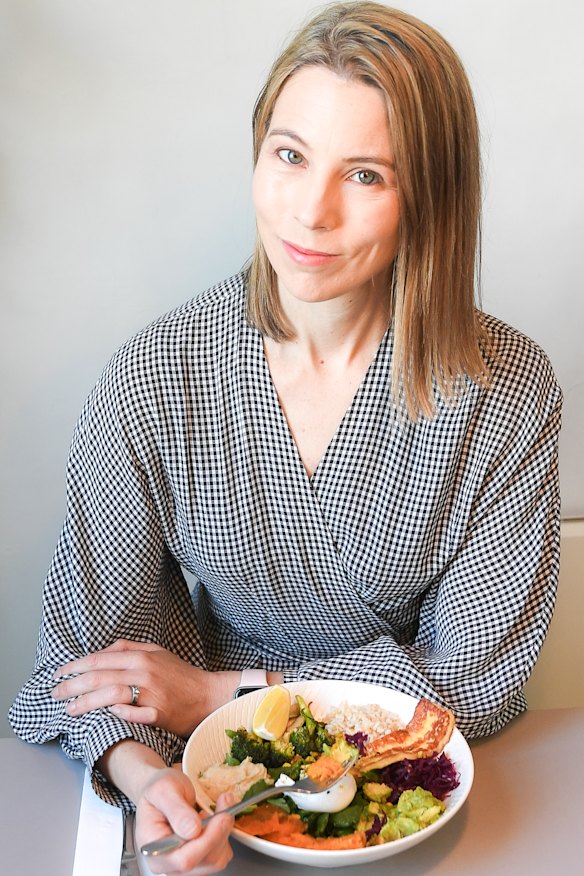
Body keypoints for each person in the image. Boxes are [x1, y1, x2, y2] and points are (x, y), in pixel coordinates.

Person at [9, 1, 562, 872]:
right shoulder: (155, 376)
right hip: (211, 780)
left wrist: (221, 696)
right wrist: (150, 773)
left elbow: (479, 678)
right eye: (291, 155)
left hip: (412, 791)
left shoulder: (507, 391)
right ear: (257, 153)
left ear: (429, 193)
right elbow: (88, 661)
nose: (310, 212)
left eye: (367, 175)